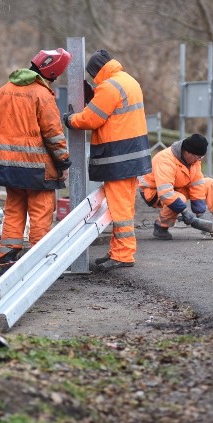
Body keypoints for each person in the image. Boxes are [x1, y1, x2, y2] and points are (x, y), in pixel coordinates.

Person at [64, 49, 152, 272]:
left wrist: (70, 120)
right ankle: (119, 251)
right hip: (132, 155)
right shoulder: (128, 81)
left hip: (118, 157)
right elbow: (114, 113)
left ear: (96, 71)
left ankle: (123, 255)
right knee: (125, 206)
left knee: (120, 208)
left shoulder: (108, 87)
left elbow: (90, 119)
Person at [0, 48, 72, 274]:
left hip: (6, 165)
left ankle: (7, 256)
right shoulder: (42, 95)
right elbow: (54, 134)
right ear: (52, 72)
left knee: (14, 209)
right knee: (40, 212)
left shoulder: (3, 91)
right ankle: (39, 260)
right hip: (37, 167)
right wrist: (63, 163)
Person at [137, 133, 213, 239]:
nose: (199, 160)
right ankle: (161, 227)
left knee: (208, 183)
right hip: (153, 192)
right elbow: (165, 193)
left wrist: (200, 213)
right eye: (198, 157)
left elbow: (196, 183)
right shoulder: (165, 160)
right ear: (188, 152)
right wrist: (185, 212)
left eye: (201, 158)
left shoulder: (194, 159)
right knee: (179, 198)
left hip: (176, 187)